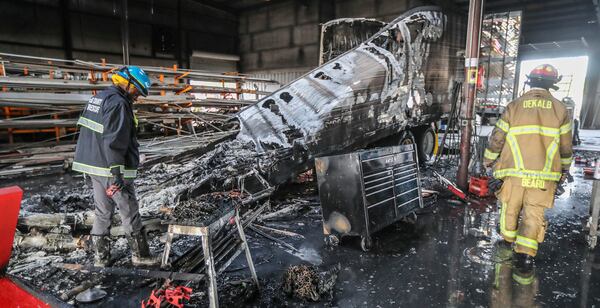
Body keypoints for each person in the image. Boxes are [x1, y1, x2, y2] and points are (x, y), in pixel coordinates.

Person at [483, 64, 573, 272]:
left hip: (514, 173)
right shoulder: (561, 110)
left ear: (530, 82)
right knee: (534, 214)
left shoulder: (514, 106)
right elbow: (566, 146)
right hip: (544, 176)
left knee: (510, 209)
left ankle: (507, 242)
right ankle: (525, 257)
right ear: (553, 85)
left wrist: (489, 160)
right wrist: (564, 170)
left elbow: (498, 138)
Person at [72, 66, 158, 267]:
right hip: (111, 168)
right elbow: (114, 141)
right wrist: (117, 173)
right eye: (137, 91)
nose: (137, 97)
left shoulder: (99, 97)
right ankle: (141, 256)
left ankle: (100, 258)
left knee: (102, 212)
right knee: (129, 210)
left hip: (94, 166)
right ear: (127, 83)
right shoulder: (119, 104)